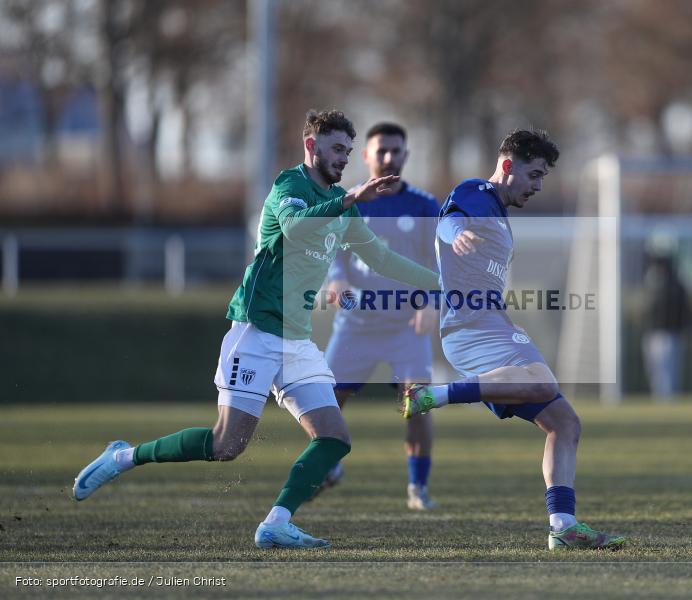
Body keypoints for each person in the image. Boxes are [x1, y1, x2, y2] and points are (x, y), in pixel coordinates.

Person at [72, 110, 440, 549]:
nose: (343, 158)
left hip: (297, 342)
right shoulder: (290, 187)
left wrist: (445, 284)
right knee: (226, 444)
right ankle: (124, 455)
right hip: (257, 331)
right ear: (311, 146)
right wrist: (347, 200)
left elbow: (381, 259)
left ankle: (276, 523)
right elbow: (297, 230)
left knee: (335, 438)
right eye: (337, 149)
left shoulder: (344, 203)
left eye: (346, 150)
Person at [400, 129, 626, 550]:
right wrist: (456, 235)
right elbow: (449, 221)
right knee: (545, 383)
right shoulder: (478, 191)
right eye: (535, 174)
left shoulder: (496, 212)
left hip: (488, 325)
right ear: (508, 166)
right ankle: (436, 395)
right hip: (474, 326)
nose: (539, 185)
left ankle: (563, 526)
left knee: (564, 423)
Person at [321, 122, 441, 510]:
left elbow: (439, 264)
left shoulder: (425, 205)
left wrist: (431, 302)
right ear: (367, 155)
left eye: (396, 151)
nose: (389, 157)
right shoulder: (348, 200)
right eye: (381, 151)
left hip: (406, 325)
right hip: (356, 325)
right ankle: (327, 466)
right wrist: (337, 280)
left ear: (406, 155)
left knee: (418, 402)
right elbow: (333, 252)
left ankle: (417, 489)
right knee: (325, 401)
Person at [642, 246, 692, 402]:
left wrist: (687, 331)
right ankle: (660, 400)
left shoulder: (675, 286)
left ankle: (668, 402)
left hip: (670, 334)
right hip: (653, 334)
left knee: (668, 373)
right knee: (656, 372)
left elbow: (686, 312)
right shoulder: (654, 285)